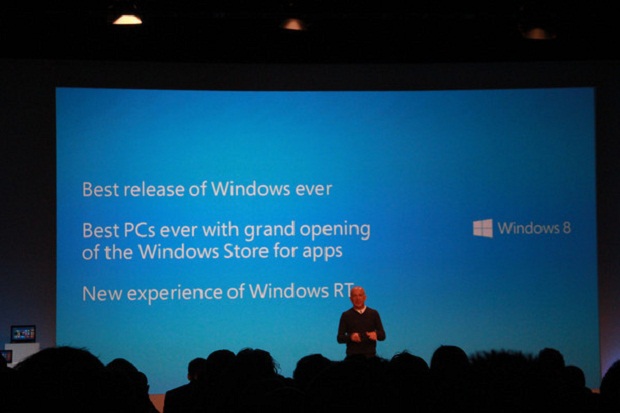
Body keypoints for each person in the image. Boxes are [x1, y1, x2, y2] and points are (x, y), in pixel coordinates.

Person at [337, 285, 386, 359]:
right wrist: (351, 337)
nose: (358, 298)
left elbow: (382, 335)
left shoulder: (373, 313)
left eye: (360, 295)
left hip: (370, 357)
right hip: (352, 357)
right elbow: (339, 338)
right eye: (354, 296)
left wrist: (376, 334)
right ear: (350, 299)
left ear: (365, 297)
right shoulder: (346, 315)